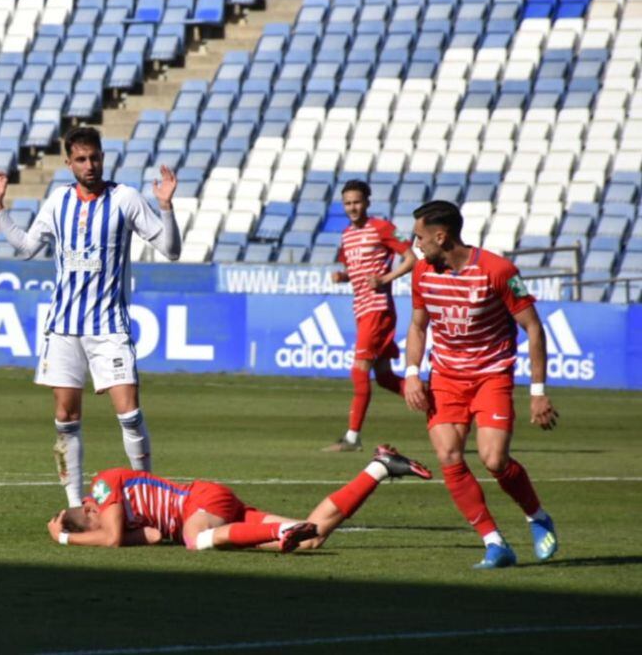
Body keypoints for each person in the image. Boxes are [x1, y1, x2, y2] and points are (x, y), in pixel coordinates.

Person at [0, 126, 181, 508]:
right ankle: (75, 504)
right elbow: (27, 248)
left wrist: (166, 206)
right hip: (63, 327)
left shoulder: (125, 199)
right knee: (65, 416)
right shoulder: (58, 202)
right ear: (68, 163)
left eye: (95, 157)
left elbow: (171, 249)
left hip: (109, 326)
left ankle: (146, 498)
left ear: (103, 157)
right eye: (81, 159)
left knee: (129, 414)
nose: (89, 165)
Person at [404, 200, 559, 569]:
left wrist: (537, 393)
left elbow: (533, 327)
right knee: (448, 455)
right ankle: (494, 543)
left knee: (494, 459)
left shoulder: (498, 270)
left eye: (420, 237)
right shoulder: (422, 272)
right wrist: (412, 371)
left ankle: (537, 516)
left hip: (491, 375)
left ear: (441, 236)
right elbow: (418, 325)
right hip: (445, 377)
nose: (415, 245)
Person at [46, 444, 432, 551]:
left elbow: (110, 538)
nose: (103, 524)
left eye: (94, 521)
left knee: (195, 542)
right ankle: (379, 468)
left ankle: (278, 535)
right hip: (209, 508)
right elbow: (144, 537)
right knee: (312, 537)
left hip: (200, 501)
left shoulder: (100, 486)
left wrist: (64, 537)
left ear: (91, 509)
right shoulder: (120, 516)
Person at [325, 180, 417, 452]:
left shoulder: (381, 228)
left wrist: (386, 278)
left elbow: (411, 258)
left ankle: (352, 438)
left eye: (357, 202)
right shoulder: (347, 235)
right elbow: (357, 274)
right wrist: (343, 277)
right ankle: (438, 405)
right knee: (386, 377)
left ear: (367, 202)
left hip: (377, 309)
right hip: (362, 308)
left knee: (359, 370)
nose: (353, 207)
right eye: (348, 203)